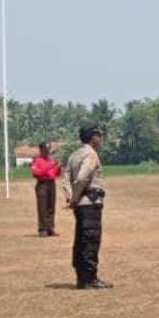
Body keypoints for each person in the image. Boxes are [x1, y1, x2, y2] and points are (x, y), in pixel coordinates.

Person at [62, 124, 112, 290]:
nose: (100, 138)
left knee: (81, 239)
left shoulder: (74, 155)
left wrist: (70, 197)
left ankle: (81, 277)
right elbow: (82, 178)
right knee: (90, 239)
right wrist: (75, 198)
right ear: (93, 137)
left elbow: (66, 179)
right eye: (98, 135)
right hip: (89, 202)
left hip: (80, 204)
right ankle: (90, 278)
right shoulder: (90, 155)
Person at [31, 141, 62, 237]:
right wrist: (49, 166)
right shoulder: (37, 161)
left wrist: (59, 168)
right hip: (42, 184)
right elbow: (36, 173)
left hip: (51, 183)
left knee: (51, 207)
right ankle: (42, 229)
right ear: (41, 150)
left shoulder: (51, 160)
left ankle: (50, 228)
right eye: (46, 149)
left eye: (49, 149)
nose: (48, 152)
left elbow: (56, 174)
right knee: (42, 207)